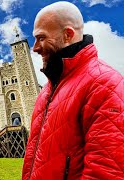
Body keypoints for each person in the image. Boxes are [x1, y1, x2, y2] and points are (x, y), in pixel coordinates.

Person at [22, 1, 124, 179]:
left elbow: (106, 172)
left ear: (68, 35)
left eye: (41, 38)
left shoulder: (104, 84)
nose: (35, 48)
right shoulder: (46, 91)